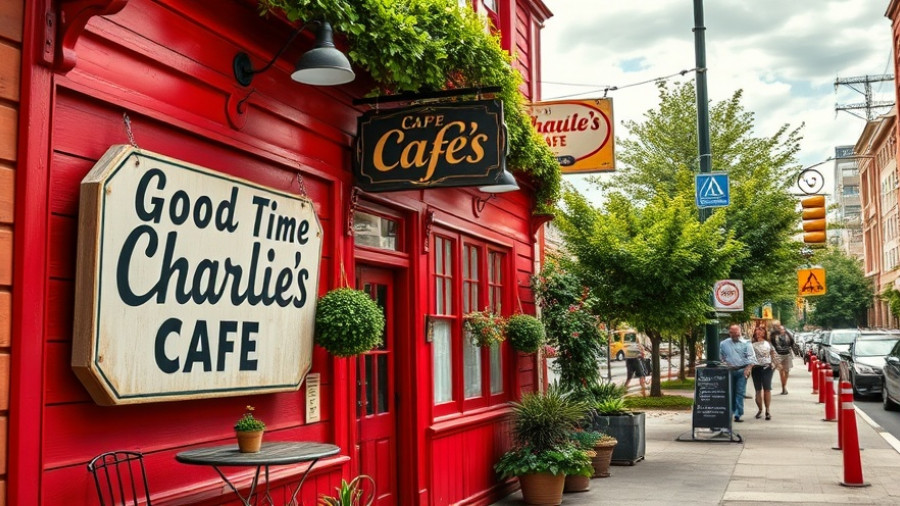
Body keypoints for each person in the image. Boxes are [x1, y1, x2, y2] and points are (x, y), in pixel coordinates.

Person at [720, 324, 757, 422]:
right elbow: (721, 357)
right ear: (729, 333)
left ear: (740, 332)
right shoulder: (724, 344)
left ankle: (738, 414)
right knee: (730, 392)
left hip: (741, 371)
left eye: (736, 333)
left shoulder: (746, 343)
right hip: (729, 371)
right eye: (732, 333)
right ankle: (731, 411)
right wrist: (724, 364)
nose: (734, 335)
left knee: (740, 392)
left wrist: (748, 369)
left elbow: (752, 358)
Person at [750, 326, 777, 420]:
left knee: (767, 389)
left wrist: (774, 363)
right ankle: (760, 409)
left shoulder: (768, 343)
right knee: (758, 390)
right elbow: (748, 356)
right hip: (756, 368)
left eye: (761, 330)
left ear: (764, 333)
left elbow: (773, 353)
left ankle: (768, 410)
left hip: (767, 367)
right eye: (757, 330)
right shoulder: (751, 344)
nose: (759, 332)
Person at [771, 322, 795, 394]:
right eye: (780, 329)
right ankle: (783, 388)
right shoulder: (774, 336)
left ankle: (784, 386)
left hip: (787, 355)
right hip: (779, 355)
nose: (781, 330)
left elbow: (792, 343)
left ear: (784, 330)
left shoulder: (788, 336)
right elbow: (772, 344)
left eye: (782, 329)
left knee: (787, 371)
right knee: (781, 372)